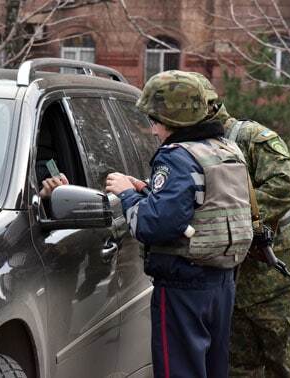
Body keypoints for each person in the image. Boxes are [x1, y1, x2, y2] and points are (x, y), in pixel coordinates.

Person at [105, 70, 253, 378]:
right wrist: (148, 190)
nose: (154, 129)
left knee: (180, 371)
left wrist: (127, 195)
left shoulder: (176, 156)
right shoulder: (226, 149)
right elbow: (202, 201)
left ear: (169, 118)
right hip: (222, 281)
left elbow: (153, 226)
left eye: (154, 120)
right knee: (213, 370)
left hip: (183, 285)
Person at [189, 72, 290, 377]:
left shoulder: (251, 138)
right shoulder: (185, 147)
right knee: (237, 370)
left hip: (270, 280)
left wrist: (223, 214)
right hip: (225, 283)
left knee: (287, 368)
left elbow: (282, 189)